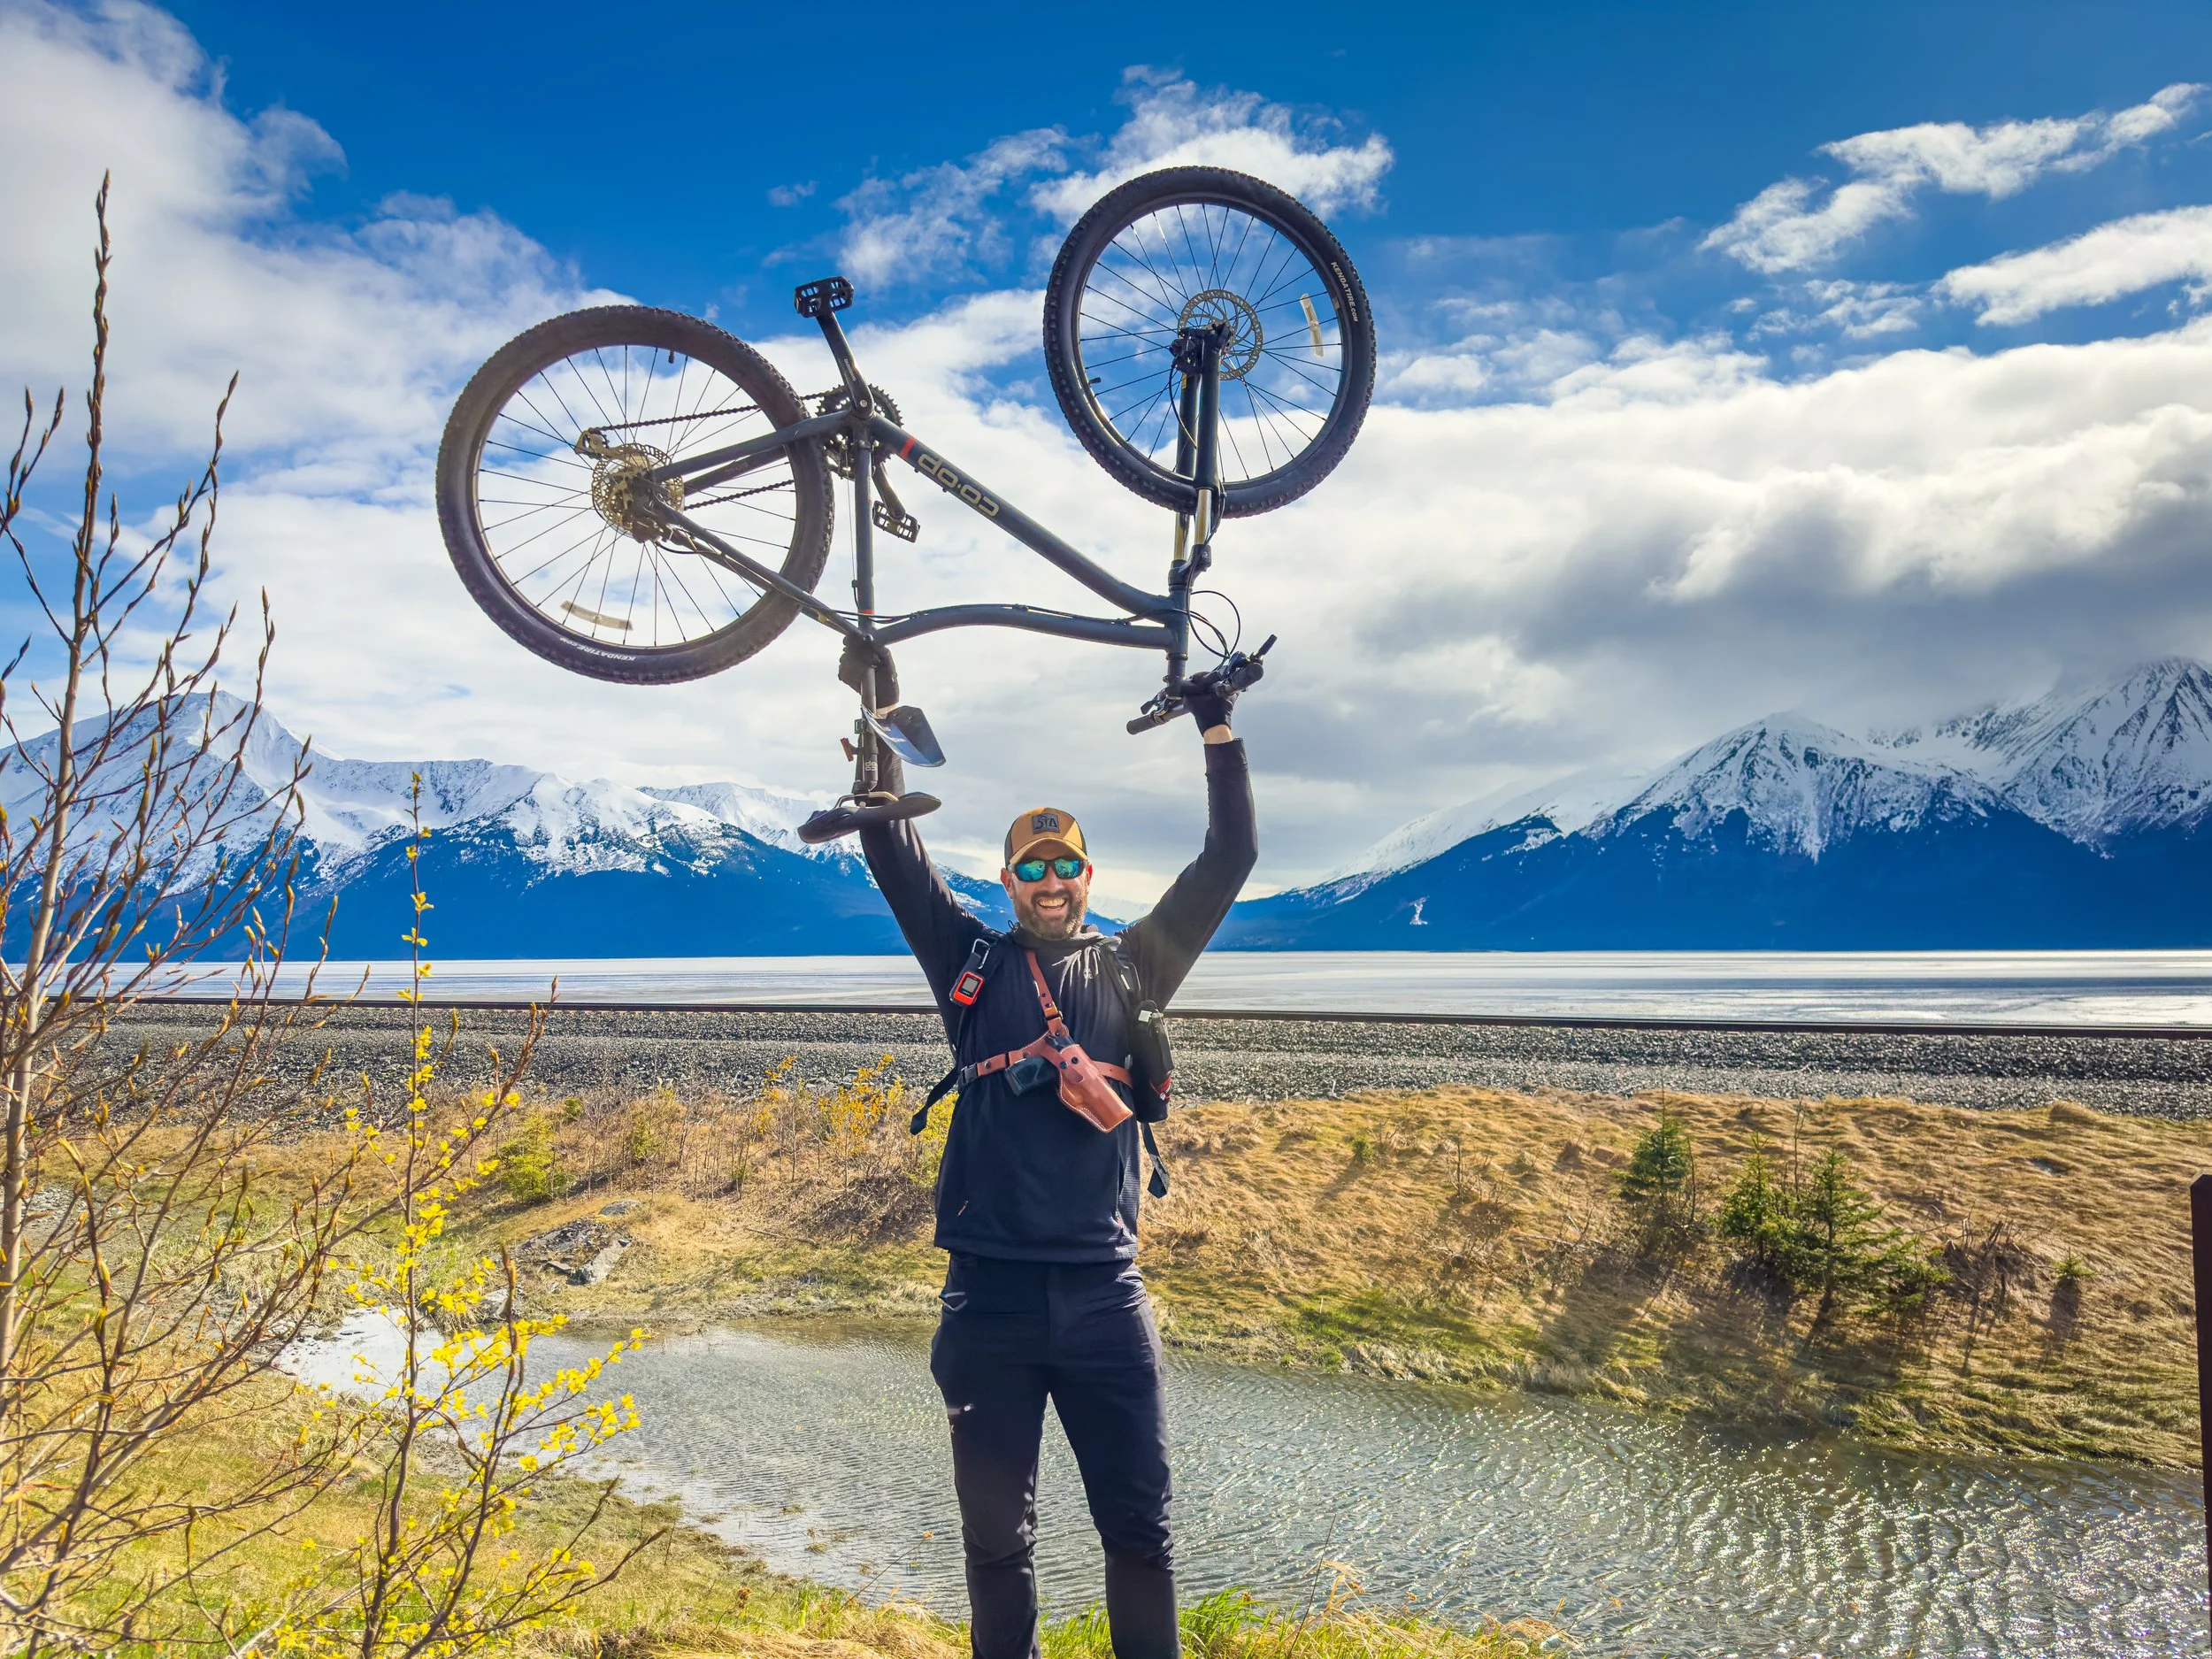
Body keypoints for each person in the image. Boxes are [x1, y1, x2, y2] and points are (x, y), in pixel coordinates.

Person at [842, 640, 1256, 1659]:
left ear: (1085, 875)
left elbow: (1229, 859)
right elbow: (893, 856)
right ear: (1008, 880)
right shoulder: (967, 964)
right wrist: (880, 724)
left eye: (1066, 863)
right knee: (996, 1545)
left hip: (1107, 1298)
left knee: (1141, 1534)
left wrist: (1216, 726)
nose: (1051, 880)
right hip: (987, 1302)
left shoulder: (1136, 966)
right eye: (1032, 867)